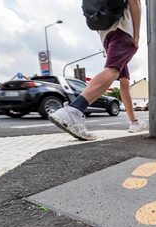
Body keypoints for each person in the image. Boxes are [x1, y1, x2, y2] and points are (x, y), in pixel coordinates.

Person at [49, 0, 146, 141]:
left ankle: (134, 122)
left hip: (106, 35)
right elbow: (134, 1)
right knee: (112, 70)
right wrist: (136, 35)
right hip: (123, 29)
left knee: (123, 79)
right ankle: (74, 109)